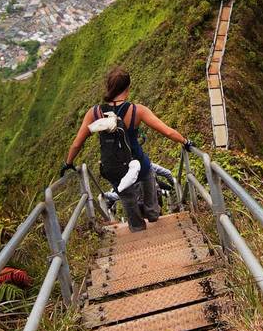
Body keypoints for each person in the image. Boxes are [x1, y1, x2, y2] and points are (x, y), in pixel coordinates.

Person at [61, 67, 191, 232]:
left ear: (108, 87)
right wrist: (185, 142)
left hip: (114, 168)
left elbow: (77, 143)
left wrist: (68, 162)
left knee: (128, 200)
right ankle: (151, 212)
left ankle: (137, 227)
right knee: (149, 184)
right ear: (128, 88)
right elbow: (167, 131)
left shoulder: (94, 112)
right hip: (139, 164)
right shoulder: (137, 110)